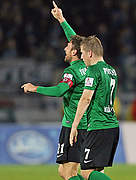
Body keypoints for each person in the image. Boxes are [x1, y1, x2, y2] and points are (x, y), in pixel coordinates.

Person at [21, 2, 87, 180]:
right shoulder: (86, 65)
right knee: (67, 172)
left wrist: (35, 88)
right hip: (83, 123)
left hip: (74, 124)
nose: (64, 48)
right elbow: (75, 40)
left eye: (67, 47)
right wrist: (61, 19)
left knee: (68, 172)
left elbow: (59, 90)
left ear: (74, 52)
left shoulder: (72, 71)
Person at [69, 36, 119, 180]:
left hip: (99, 126)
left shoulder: (93, 70)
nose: (82, 57)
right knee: (98, 171)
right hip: (111, 126)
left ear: (90, 53)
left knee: (86, 172)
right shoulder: (112, 71)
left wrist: (75, 125)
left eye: (83, 53)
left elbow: (85, 98)